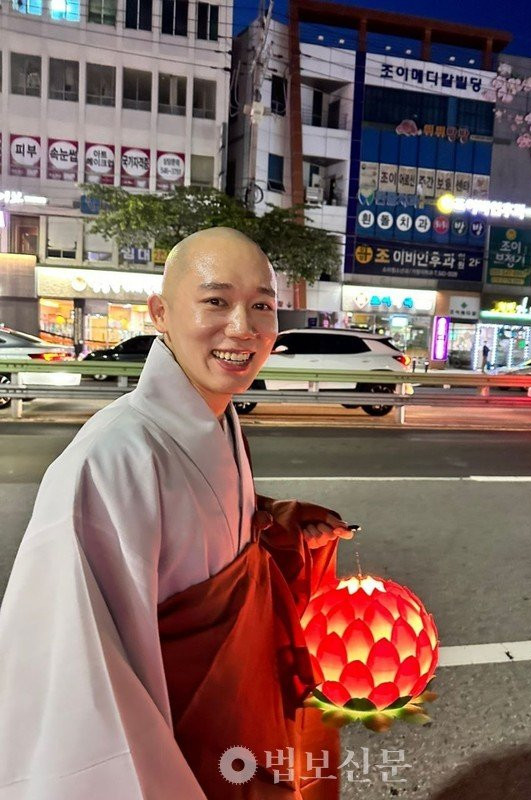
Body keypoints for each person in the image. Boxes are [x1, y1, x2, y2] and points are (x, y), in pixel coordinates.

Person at [0, 228, 353, 799]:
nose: (242, 327)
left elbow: (220, 550)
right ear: (160, 313)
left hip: (235, 727)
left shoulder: (218, 421)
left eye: (261, 306)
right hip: (176, 745)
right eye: (216, 301)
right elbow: (77, 672)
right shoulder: (109, 459)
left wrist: (280, 529)